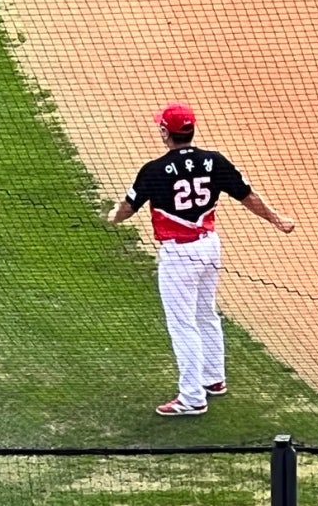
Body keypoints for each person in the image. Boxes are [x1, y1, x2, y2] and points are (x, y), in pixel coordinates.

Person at [107, 103, 295, 416]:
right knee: (205, 313)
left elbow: (128, 207)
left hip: (179, 254)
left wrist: (112, 217)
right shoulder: (214, 161)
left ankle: (192, 398)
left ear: (165, 132)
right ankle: (214, 378)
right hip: (209, 247)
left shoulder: (154, 170)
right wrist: (278, 220)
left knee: (183, 325)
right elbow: (247, 195)